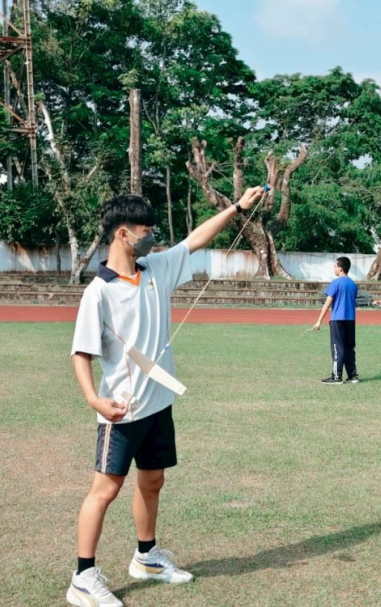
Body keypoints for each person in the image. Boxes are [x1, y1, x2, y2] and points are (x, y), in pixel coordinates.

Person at [67, 187, 265, 607]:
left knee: (153, 480)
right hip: (121, 410)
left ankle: (147, 557)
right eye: (145, 230)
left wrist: (237, 207)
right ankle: (83, 576)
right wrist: (94, 400)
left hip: (159, 404)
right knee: (105, 490)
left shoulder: (155, 267)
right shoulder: (98, 291)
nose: (152, 237)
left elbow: (195, 240)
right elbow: (80, 353)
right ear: (123, 234)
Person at [313, 256, 358, 385]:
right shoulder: (353, 284)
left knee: (337, 347)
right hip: (351, 319)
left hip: (337, 319)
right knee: (349, 347)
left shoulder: (335, 283)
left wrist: (319, 321)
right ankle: (352, 375)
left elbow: (327, 303)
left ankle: (336, 376)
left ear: (341, 268)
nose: (334, 268)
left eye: (335, 266)